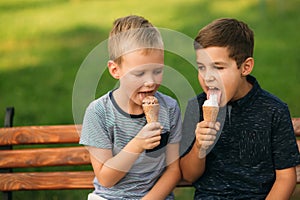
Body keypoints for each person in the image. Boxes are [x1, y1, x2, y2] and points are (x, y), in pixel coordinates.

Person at [180, 18, 300, 199]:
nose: (208, 77)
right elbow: (188, 175)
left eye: (218, 67)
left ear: (245, 67)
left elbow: (286, 177)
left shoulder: (273, 111)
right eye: (202, 68)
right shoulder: (196, 108)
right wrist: (199, 146)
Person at [79, 15, 182, 200]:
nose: (150, 82)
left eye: (157, 71)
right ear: (115, 70)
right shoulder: (99, 113)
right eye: (139, 73)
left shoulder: (170, 108)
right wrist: (137, 145)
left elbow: (173, 170)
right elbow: (106, 179)